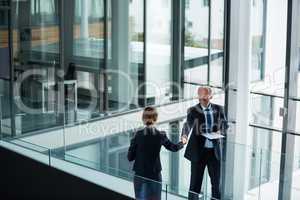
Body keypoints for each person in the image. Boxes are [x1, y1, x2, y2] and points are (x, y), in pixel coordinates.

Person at [128, 106, 187, 200]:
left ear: (143, 119)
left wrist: (133, 140)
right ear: (156, 119)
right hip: (155, 175)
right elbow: (173, 148)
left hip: (140, 174)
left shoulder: (138, 135)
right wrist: (182, 142)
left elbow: (130, 157)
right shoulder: (161, 135)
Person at [181, 87, 228, 200]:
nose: (202, 99)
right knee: (195, 185)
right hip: (198, 152)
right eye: (200, 96)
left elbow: (225, 125)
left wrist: (220, 131)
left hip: (214, 153)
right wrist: (184, 136)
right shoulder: (193, 110)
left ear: (210, 96)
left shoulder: (219, 109)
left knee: (216, 185)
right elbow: (187, 124)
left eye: (205, 97)